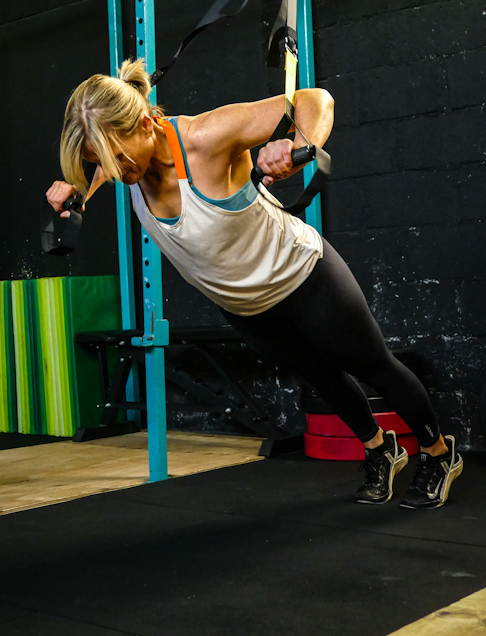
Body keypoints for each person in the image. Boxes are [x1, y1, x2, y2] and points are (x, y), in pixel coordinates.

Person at [47, 59, 463, 509]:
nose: (114, 169)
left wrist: (297, 145)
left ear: (148, 123)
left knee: (374, 367)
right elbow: (104, 166)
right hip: (245, 307)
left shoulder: (207, 137)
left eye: (115, 156)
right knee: (320, 376)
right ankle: (381, 448)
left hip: (302, 275)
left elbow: (315, 100)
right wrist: (73, 194)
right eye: (99, 161)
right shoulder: (123, 161)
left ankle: (439, 454)